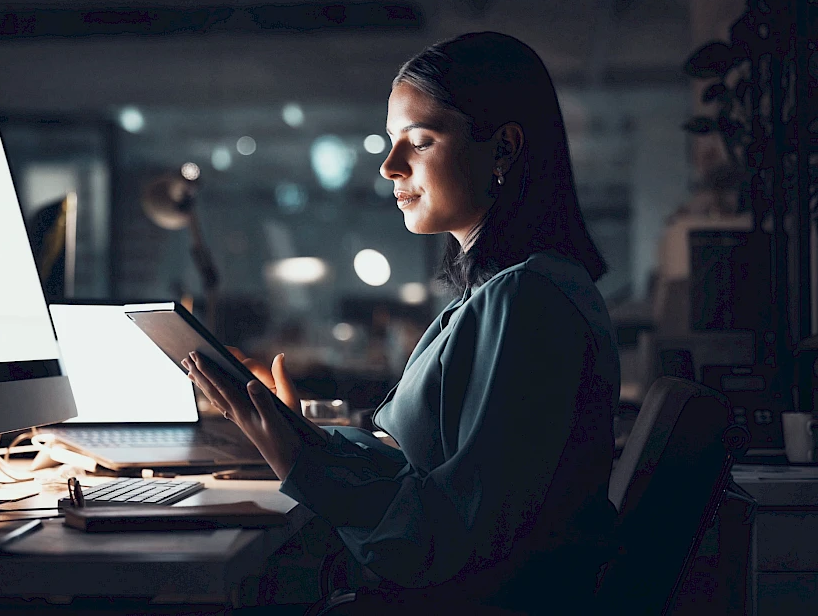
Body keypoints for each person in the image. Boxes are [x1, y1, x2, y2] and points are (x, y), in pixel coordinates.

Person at [181, 32, 619, 615]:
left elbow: (445, 542)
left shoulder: (526, 300)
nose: (389, 167)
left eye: (419, 142)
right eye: (392, 143)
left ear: (504, 150)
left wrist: (300, 461)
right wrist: (309, 443)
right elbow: (431, 478)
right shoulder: (508, 291)